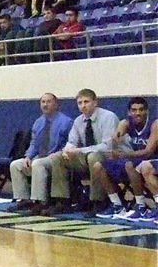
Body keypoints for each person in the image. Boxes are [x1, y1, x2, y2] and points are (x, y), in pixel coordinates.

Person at [33, 88, 119, 216]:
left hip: (111, 156)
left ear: (95, 102)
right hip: (87, 155)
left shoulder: (108, 117)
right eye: (80, 103)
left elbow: (107, 146)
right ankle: (62, 201)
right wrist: (67, 150)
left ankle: (97, 201)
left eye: (86, 102)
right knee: (58, 157)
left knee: (93, 157)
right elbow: (72, 141)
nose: (83, 106)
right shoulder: (79, 120)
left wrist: (79, 150)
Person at [8, 93, 74, 213]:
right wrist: (28, 156)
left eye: (48, 102)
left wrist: (59, 153)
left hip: (55, 157)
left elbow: (70, 143)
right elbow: (34, 143)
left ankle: (40, 201)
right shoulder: (38, 122)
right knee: (16, 165)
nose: (45, 104)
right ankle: (23, 199)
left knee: (37, 164)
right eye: (43, 102)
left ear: (55, 104)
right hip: (40, 156)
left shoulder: (66, 122)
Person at [92, 97, 158, 218]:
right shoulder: (127, 122)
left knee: (129, 165)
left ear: (147, 111)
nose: (137, 113)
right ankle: (117, 205)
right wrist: (117, 134)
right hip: (134, 159)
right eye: (134, 110)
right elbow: (120, 130)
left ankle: (141, 206)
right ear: (129, 112)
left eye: (141, 110)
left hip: (151, 159)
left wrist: (124, 154)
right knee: (98, 166)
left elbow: (148, 152)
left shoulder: (154, 124)